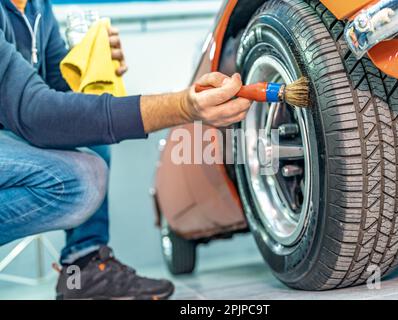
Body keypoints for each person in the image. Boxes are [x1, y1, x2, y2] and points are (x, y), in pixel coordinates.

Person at [0, 0, 251, 300]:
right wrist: (183, 106)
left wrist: (95, 65)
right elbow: (36, 113)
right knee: (81, 179)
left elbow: (62, 96)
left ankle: (83, 270)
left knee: (88, 138)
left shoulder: (37, 7)